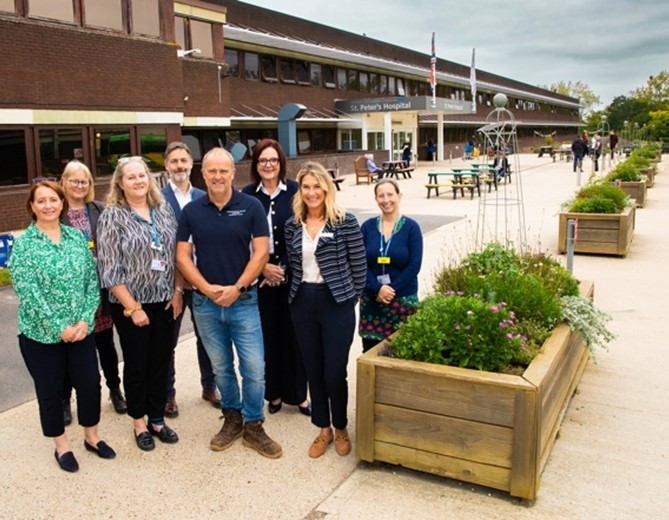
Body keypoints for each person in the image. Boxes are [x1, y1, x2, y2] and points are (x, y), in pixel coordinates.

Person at [176, 147, 282, 459]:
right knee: (222, 368)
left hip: (244, 300)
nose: (218, 176)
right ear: (203, 174)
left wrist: (237, 287)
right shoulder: (192, 211)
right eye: (212, 171)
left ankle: (253, 424)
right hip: (206, 305)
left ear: (233, 173)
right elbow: (182, 255)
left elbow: (261, 253)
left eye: (224, 170)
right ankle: (232, 418)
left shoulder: (250, 207)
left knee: (254, 368)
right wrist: (206, 288)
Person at [11, 181, 115, 473]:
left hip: (81, 330)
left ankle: (91, 437)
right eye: (41, 201)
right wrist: (59, 327)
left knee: (89, 384)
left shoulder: (74, 237)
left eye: (53, 200)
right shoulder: (25, 245)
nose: (48, 205)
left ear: (61, 203)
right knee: (51, 390)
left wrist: (84, 320)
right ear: (32, 206)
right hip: (40, 336)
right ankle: (62, 445)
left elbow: (91, 284)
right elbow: (27, 292)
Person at [97, 156, 182, 452]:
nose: (138, 181)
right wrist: (133, 308)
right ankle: (139, 422)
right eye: (131, 177)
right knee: (137, 364)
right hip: (131, 304)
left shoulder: (163, 210)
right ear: (120, 183)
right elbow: (109, 268)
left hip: (165, 300)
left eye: (142, 175)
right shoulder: (112, 216)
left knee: (161, 360)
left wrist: (178, 290)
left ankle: (157, 418)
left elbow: (176, 255)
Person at [284, 162, 366, 459]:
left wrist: (350, 299)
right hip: (303, 301)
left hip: (337, 304)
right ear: (300, 191)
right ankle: (323, 429)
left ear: (327, 188)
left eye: (317, 186)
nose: (311, 192)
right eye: (306, 187)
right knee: (313, 370)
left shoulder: (344, 221)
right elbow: (292, 266)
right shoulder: (293, 224)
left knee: (334, 372)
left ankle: (341, 425)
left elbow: (359, 266)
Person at [241, 139, 310, 417]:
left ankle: (299, 396)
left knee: (295, 336)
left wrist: (281, 267)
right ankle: (275, 393)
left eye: (273, 160)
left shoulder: (295, 191)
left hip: (292, 277)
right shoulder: (246, 196)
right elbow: (240, 239)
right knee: (267, 337)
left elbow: (306, 230)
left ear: (281, 163)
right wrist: (264, 268)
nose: (268, 165)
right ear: (256, 165)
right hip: (260, 278)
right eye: (262, 161)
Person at [59, 161, 127, 419]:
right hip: (70, 295)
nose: (79, 186)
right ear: (64, 181)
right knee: (70, 349)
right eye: (74, 180)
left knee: (106, 346)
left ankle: (115, 391)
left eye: (84, 181)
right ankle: (65, 399)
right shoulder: (57, 211)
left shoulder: (98, 209)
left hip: (100, 291)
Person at [161, 141, 220, 418]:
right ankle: (168, 395)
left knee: (207, 336)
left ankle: (209, 386)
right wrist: (176, 285)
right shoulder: (157, 199)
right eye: (174, 161)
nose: (179, 166)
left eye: (184, 161)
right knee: (168, 341)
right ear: (166, 166)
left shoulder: (204, 196)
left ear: (191, 164)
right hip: (172, 283)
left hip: (202, 280)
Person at [358, 179, 423, 352]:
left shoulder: (411, 228)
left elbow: (414, 265)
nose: (386, 200)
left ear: (399, 196)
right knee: (371, 353)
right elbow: (359, 263)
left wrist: (390, 289)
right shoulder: (367, 227)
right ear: (376, 199)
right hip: (372, 301)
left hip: (402, 300)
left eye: (390, 194)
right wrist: (377, 289)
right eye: (381, 196)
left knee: (403, 351)